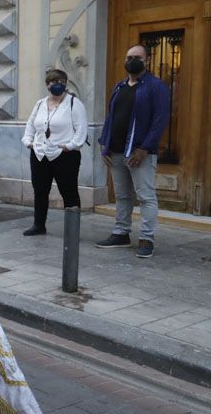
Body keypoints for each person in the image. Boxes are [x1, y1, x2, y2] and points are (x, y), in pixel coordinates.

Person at [96, 45, 171, 258]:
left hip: (139, 153)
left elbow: (160, 120)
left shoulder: (156, 87)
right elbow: (111, 116)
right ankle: (121, 233)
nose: (132, 60)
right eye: (129, 57)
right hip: (116, 151)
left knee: (145, 196)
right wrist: (104, 143)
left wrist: (145, 148)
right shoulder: (119, 87)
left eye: (137, 57)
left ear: (147, 60)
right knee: (121, 195)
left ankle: (147, 238)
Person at [21, 69, 89, 236]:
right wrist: (28, 141)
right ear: (47, 85)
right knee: (40, 190)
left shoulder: (74, 103)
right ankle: (39, 225)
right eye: (53, 82)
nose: (57, 85)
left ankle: (72, 229)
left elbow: (81, 129)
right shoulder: (39, 104)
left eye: (61, 81)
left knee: (69, 191)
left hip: (64, 155)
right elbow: (31, 124)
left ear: (65, 84)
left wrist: (71, 145)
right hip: (39, 154)